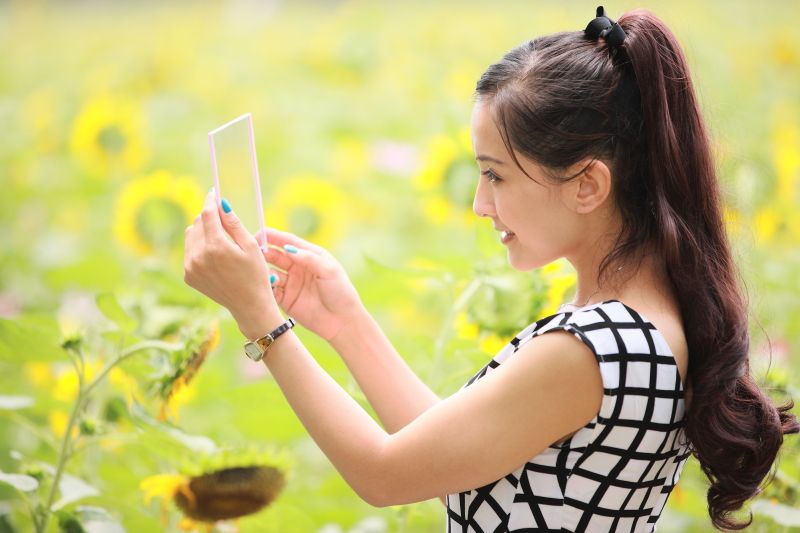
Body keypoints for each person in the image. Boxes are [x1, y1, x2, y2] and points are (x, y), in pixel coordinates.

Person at [183, 5, 799, 531]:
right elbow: (452, 457)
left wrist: (259, 318)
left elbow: (384, 473)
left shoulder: (594, 346)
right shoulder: (633, 324)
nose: (481, 204)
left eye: (495, 174)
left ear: (587, 183)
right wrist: (344, 321)